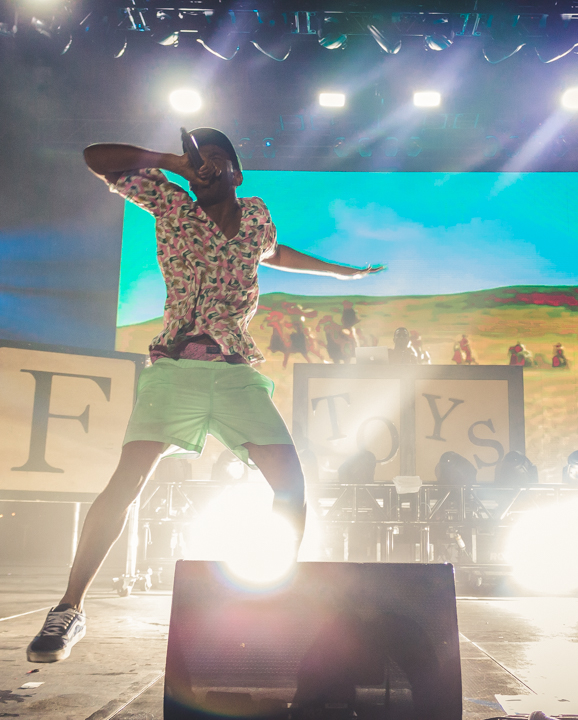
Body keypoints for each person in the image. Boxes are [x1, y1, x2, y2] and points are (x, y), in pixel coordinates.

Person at [26, 129, 384, 663]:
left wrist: (340, 270)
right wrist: (173, 161)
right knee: (125, 483)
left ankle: (281, 601)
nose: (207, 165)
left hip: (237, 371)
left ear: (237, 174)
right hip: (175, 369)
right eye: (200, 158)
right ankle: (69, 610)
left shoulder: (257, 215)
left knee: (292, 485)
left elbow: (276, 252)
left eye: (219, 159)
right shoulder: (170, 203)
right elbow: (93, 156)